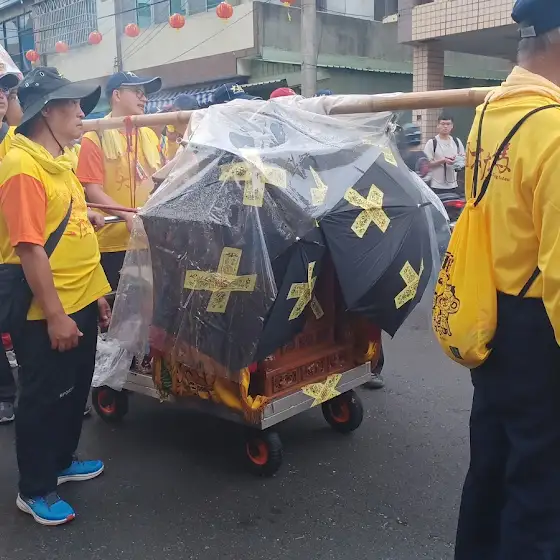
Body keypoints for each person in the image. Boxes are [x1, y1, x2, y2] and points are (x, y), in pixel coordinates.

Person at [453, 1, 560, 558]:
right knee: (540, 494)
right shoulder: (554, 129)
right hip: (539, 328)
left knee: (491, 468)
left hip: (489, 312)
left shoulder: (491, 112)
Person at [0, 66, 111, 525]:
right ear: (47, 111)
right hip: (45, 308)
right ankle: (35, 488)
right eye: (73, 104)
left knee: (73, 390)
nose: (82, 113)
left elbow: (76, 232)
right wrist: (55, 315)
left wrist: (97, 295)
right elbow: (29, 247)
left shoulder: (61, 164)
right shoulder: (22, 167)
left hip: (79, 298)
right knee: (44, 396)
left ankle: (62, 462)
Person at [76, 71, 163, 291]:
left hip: (149, 238)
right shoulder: (94, 136)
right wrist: (126, 215)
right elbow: (93, 190)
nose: (144, 99)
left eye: (144, 94)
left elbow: (160, 179)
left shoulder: (150, 135)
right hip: (112, 243)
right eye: (137, 92)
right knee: (118, 303)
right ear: (117, 95)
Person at [0, 72, 24, 424]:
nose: (1, 94)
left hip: (15, 253)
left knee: (26, 327)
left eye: (3, 89)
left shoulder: (16, 140)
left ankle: (43, 394)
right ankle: (5, 395)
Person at [424, 114, 465, 193]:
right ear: (438, 125)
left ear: (452, 126)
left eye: (448, 124)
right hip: (436, 186)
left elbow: (463, 158)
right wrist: (443, 161)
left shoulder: (456, 141)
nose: (445, 126)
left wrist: (457, 160)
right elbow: (427, 164)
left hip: (454, 185)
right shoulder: (432, 142)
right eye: (443, 124)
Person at [164, 93, 199, 161]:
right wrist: (172, 141)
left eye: (172, 112)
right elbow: (171, 161)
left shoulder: (198, 136)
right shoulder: (174, 136)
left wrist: (184, 132)